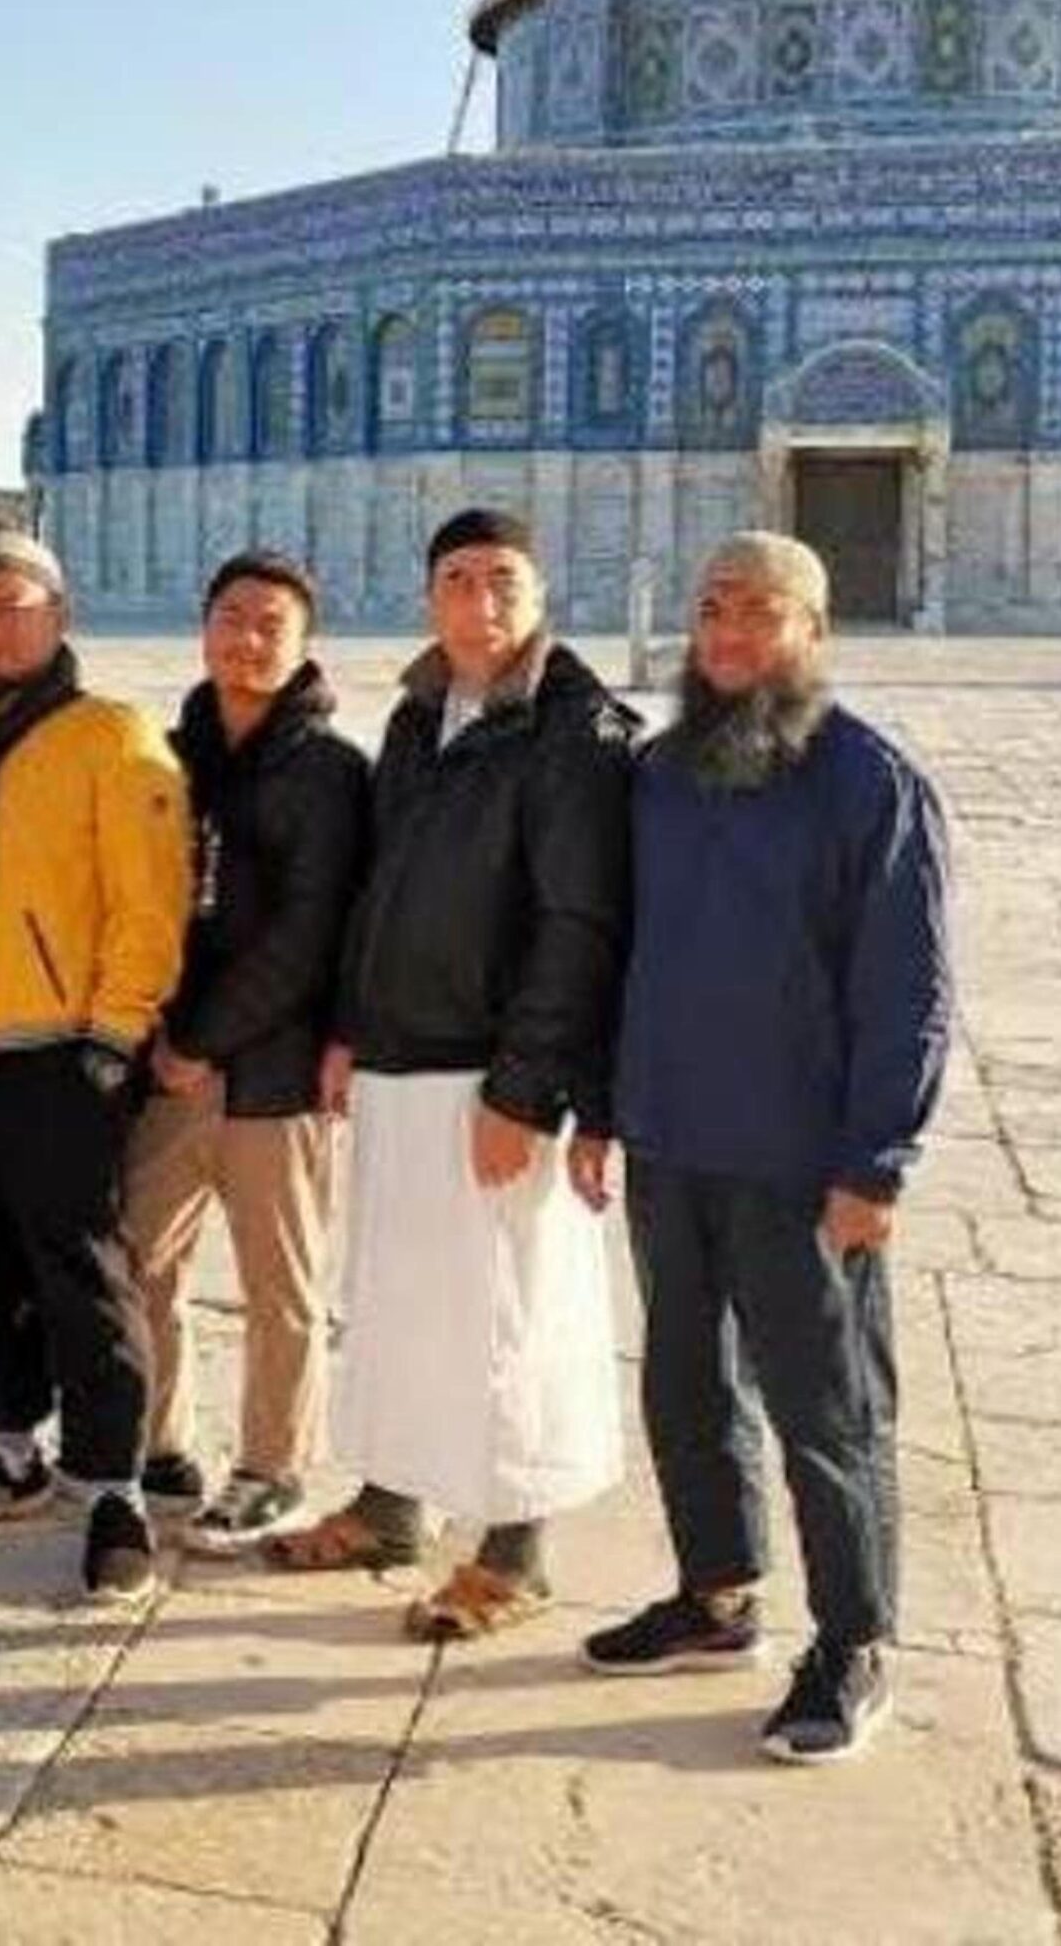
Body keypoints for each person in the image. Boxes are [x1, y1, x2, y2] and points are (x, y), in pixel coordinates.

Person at [574, 531, 950, 1765]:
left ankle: (854, 1639)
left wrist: (873, 1165)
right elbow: (621, 949)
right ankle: (715, 1593)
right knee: (683, 1379)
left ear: (812, 633)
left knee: (825, 1403)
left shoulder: (866, 783)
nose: (729, 636)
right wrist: (601, 1108)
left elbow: (909, 992)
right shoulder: (662, 772)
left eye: (760, 614)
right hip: (671, 1137)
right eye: (712, 610)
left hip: (799, 1160)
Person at [266, 510, 634, 1642]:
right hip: (397, 1056)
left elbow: (579, 923)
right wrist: (347, 1027)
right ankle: (390, 1504)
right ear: (430, 596)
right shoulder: (422, 717)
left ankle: (516, 1546)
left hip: (488, 1073)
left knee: (508, 1309)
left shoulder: (575, 732)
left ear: (539, 593)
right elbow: (382, 888)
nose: (478, 600)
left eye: (501, 579)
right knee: (400, 1297)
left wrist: (524, 1090)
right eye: (456, 578)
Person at [0, 532, 190, 1601]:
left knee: (84, 1278)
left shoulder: (111, 735)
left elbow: (147, 903)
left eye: (10, 605)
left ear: (57, 615)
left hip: (57, 1056)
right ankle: (10, 1447)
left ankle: (111, 1487)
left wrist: (112, 1037)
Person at [126, 551, 367, 1553]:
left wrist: (202, 1040)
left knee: (282, 1286)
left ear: (304, 640)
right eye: (231, 616)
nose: (247, 638)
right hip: (171, 1066)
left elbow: (308, 935)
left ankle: (272, 1466)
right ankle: (156, 1443)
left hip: (273, 1070)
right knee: (141, 1261)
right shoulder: (172, 754)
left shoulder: (330, 770)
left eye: (271, 622)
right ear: (203, 627)